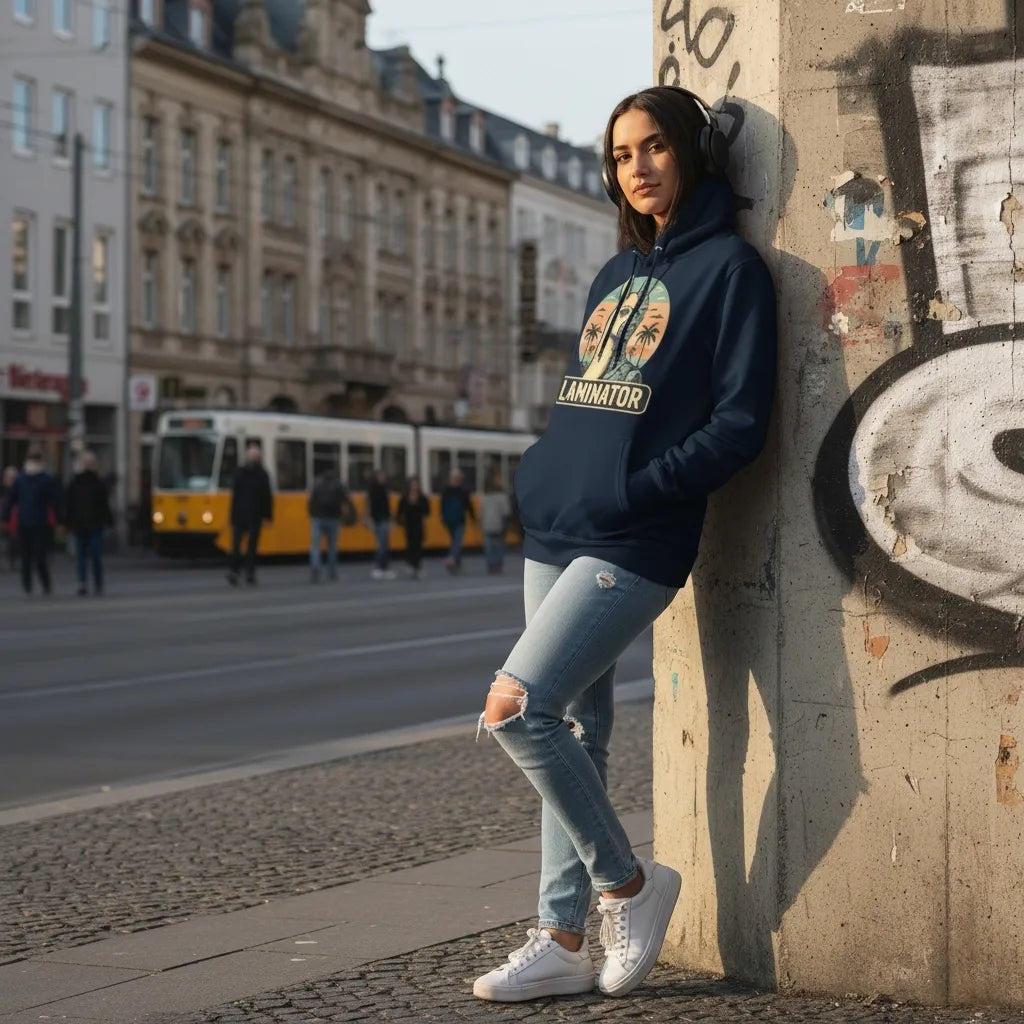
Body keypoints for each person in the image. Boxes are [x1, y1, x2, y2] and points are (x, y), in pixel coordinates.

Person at [473, 86, 777, 1002]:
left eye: (652, 148)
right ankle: (562, 937)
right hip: (559, 525)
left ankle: (630, 889)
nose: (636, 168)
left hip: (636, 536)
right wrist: (544, 473)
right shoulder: (615, 276)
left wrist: (637, 488)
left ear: (689, 151)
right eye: (620, 156)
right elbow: (589, 396)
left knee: (514, 709)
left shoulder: (731, 271)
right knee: (576, 731)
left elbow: (739, 424)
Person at [8, 449, 60, 596]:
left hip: (32, 521)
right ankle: (34, 584)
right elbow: (54, 501)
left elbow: (13, 500)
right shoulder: (39, 479)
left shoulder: (27, 479)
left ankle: (34, 584)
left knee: (32, 556)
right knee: (33, 556)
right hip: (35, 521)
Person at [65, 451, 114, 596]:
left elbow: (104, 505)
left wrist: (108, 520)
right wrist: (67, 522)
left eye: (91, 463)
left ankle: (98, 582)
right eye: (86, 463)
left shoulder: (99, 483)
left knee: (96, 554)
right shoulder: (75, 483)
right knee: (80, 556)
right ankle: (82, 582)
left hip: (95, 524)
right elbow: (69, 504)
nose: (88, 466)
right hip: (80, 524)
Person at [227, 442, 272, 586]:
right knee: (251, 546)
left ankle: (235, 570)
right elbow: (266, 497)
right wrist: (268, 516)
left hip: (241, 514)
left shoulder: (240, 472)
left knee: (237, 545)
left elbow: (235, 497)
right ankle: (249, 573)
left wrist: (232, 517)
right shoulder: (262, 474)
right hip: (255, 515)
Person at [307, 466, 351, 582]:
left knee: (315, 545)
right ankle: (332, 573)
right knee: (332, 546)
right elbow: (345, 500)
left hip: (318, 517)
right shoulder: (338, 484)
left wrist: (312, 514)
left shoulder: (317, 483)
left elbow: (311, 500)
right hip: (333, 518)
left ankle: (315, 567)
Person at [440, 467, 475, 574]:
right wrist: (473, 518)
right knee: (457, 541)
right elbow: (469, 506)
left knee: (455, 540)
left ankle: (456, 564)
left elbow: (442, 506)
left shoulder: (446, 490)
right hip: (459, 519)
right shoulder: (463, 491)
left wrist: (442, 517)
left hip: (449, 519)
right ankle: (452, 558)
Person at [395, 475, 429, 579]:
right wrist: (399, 521)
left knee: (418, 546)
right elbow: (399, 511)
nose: (415, 487)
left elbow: (427, 511)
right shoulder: (405, 497)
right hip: (408, 525)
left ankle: (417, 566)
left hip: (418, 525)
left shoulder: (422, 498)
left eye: (416, 485)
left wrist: (417, 503)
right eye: (413, 485)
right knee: (410, 545)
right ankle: (410, 564)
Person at [481, 469, 511, 574]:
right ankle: (498, 565)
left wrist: (481, 524)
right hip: (499, 525)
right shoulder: (502, 497)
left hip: (487, 526)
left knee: (489, 547)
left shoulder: (484, 498)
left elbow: (481, 512)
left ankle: (490, 565)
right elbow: (506, 513)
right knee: (499, 546)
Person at [367, 468, 395, 580]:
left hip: (383, 519)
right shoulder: (376, 489)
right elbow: (374, 505)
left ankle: (383, 567)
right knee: (382, 544)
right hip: (379, 519)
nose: (383, 478)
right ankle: (381, 567)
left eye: (384, 476)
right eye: (381, 476)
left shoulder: (381, 488)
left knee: (383, 544)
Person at [1, 465, 19, 571]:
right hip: (7, 520)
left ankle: (12, 560)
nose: (10, 480)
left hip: (15, 520)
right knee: (8, 541)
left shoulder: (17, 490)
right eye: (9, 477)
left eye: (13, 478)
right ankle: (10, 560)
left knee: (13, 541)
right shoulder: (5, 490)